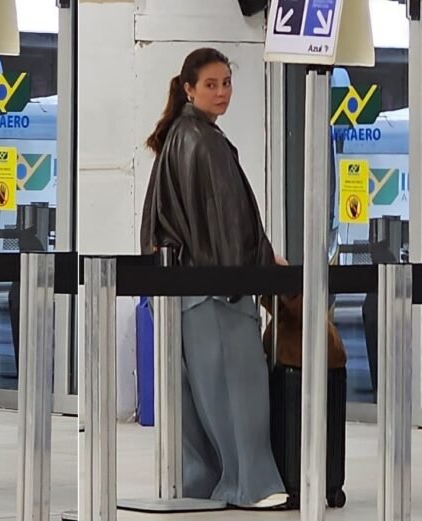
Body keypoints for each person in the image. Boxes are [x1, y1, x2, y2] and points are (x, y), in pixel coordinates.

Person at [140, 48, 288, 509]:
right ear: (189, 89)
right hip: (218, 287)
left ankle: (203, 482)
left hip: (189, 288)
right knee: (238, 389)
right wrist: (252, 270)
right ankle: (250, 484)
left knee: (199, 397)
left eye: (226, 83)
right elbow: (226, 220)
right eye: (211, 84)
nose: (222, 92)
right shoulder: (201, 141)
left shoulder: (182, 135)